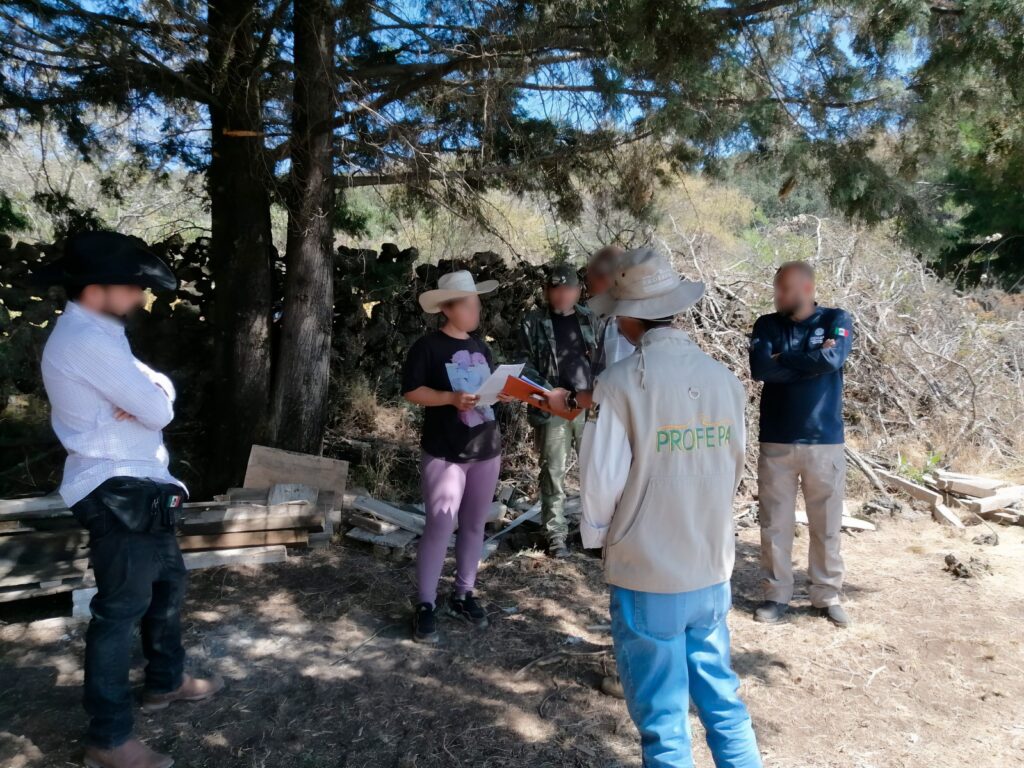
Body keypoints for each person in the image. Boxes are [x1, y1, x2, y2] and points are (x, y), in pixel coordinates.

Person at [35, 231, 223, 768]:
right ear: (98, 288)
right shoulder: (85, 340)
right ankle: (109, 739)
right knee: (119, 612)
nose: (141, 296)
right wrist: (151, 398)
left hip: (141, 487)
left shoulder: (101, 334)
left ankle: (165, 682)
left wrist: (151, 392)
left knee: (168, 585)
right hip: (118, 489)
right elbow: (161, 411)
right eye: (134, 286)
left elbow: (155, 392)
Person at [580, 246, 762, 768]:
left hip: (647, 569)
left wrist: (598, 541)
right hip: (708, 565)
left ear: (627, 317)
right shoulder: (725, 381)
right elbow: (733, 466)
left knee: (663, 724)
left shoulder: (618, 385)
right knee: (723, 702)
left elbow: (600, 484)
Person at [402, 270, 510, 644]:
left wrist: (501, 393)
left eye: (477, 303)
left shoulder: (482, 348)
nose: (477, 310)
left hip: (486, 448)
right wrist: (449, 399)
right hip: (445, 451)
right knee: (440, 524)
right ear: (448, 308)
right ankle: (426, 604)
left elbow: (486, 389)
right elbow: (412, 391)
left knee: (475, 526)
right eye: (470, 304)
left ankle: (463, 593)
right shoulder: (427, 347)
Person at [748, 261, 854, 627]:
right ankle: (776, 594)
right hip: (776, 438)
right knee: (774, 523)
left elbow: (833, 357)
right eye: (776, 288)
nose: (777, 295)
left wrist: (785, 358)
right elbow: (761, 368)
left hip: (824, 440)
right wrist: (809, 361)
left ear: (806, 289)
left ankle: (826, 595)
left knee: (826, 524)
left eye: (785, 289)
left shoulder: (837, 319)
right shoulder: (766, 324)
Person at [517, 263, 601, 558]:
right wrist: (549, 392)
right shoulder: (533, 322)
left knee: (596, 470)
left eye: (568, 289)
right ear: (546, 291)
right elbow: (523, 365)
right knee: (552, 471)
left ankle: (596, 534)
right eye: (556, 288)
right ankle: (555, 535)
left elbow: (600, 362)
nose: (562, 295)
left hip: (588, 407)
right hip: (551, 407)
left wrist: (596, 394)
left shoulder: (590, 319)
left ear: (578, 291)